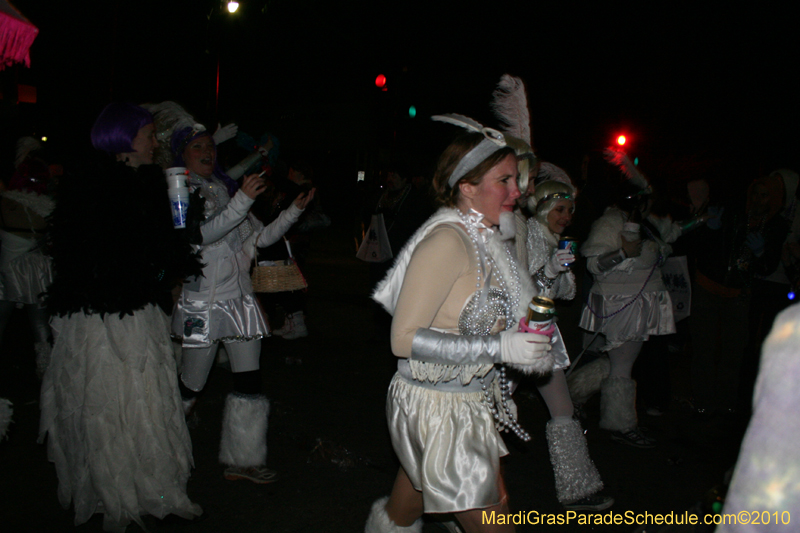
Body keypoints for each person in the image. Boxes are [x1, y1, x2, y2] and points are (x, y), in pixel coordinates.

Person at [367, 116, 554, 533]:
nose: (518, 191)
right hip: (436, 408)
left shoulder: (487, 237)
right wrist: (500, 348)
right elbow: (402, 339)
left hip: (466, 403)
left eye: (517, 179)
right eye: (504, 180)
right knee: (494, 520)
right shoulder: (447, 242)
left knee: (405, 509)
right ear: (467, 186)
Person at [39, 103, 203, 532]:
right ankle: (111, 487)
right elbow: (105, 258)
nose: (156, 143)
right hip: (101, 320)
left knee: (143, 399)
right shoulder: (95, 190)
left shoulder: (150, 185)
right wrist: (162, 261)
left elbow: (155, 254)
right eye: (149, 134)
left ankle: (149, 485)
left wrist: (177, 240)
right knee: (106, 403)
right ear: (123, 140)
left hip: (136, 312)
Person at [167, 125, 314, 484]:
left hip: (239, 302)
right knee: (191, 386)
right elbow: (199, 236)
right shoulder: (178, 191)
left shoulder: (223, 189)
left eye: (210, 146)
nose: (207, 152)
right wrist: (242, 200)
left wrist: (293, 211)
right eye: (197, 147)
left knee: (249, 382)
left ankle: (244, 460)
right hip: (204, 304)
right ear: (181, 154)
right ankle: (158, 451)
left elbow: (260, 238)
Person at [575, 149, 687, 448]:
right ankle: (620, 424)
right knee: (622, 365)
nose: (649, 199)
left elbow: (671, 234)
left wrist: (699, 218)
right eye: (642, 196)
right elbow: (593, 264)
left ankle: (574, 393)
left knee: (617, 362)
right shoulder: (610, 222)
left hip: (642, 302)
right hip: (621, 304)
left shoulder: (647, 222)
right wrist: (623, 253)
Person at [524, 178, 612, 511]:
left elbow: (566, 293)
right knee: (483, 410)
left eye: (570, 210)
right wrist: (548, 271)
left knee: (563, 410)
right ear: (544, 207)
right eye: (560, 209)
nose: (566, 216)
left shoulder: (553, 239)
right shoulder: (527, 234)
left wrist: (556, 272)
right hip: (516, 337)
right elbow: (523, 290)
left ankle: (577, 489)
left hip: (542, 336)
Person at [0, 137, 54, 377]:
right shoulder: (49, 209)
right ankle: (46, 372)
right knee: (40, 326)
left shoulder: (6, 204)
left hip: (8, 273)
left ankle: (45, 370)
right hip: (36, 273)